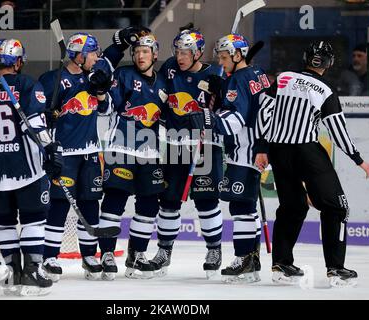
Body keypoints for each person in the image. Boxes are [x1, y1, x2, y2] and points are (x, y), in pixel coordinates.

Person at [255, 40, 369, 287]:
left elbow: (264, 110)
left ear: (306, 58)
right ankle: (336, 269)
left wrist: (262, 148)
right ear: (329, 64)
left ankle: (281, 265)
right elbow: (337, 130)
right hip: (305, 151)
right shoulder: (325, 90)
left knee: (293, 207)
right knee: (337, 207)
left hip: (278, 151)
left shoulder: (284, 77)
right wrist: (357, 158)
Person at [38, 27, 146, 281]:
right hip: (63, 154)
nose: (96, 57)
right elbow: (38, 116)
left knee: (89, 206)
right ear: (79, 56)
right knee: (60, 205)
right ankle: (50, 257)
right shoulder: (51, 80)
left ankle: (89, 256)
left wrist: (100, 91)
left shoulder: (93, 76)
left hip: (89, 153)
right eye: (92, 54)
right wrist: (47, 116)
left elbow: (107, 108)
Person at [0, 38, 63, 296]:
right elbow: (34, 125)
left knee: (4, 222)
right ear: (18, 61)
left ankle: (12, 273)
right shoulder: (26, 84)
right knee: (34, 218)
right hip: (26, 167)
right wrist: (50, 149)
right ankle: (32, 272)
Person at [149, 29, 224, 279]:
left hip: (205, 145)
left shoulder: (215, 73)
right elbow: (157, 92)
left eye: (186, 53)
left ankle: (214, 250)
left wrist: (219, 92)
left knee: (206, 200)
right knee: (168, 200)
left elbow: (224, 110)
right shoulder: (170, 68)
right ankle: (164, 251)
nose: (180, 57)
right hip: (174, 143)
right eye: (178, 52)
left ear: (198, 53)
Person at [198, 33, 269, 283]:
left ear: (238, 56)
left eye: (225, 57)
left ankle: (243, 258)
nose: (221, 61)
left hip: (246, 150)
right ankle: (252, 261)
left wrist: (210, 119)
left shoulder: (238, 79)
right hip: (258, 147)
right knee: (247, 207)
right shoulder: (257, 74)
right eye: (219, 57)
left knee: (240, 207)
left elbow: (236, 120)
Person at [97, 32, 167, 280]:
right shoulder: (125, 75)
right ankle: (106, 253)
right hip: (122, 148)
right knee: (115, 200)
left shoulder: (163, 83)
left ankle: (136, 254)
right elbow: (107, 107)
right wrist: (101, 93)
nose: (140, 55)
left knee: (148, 205)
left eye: (145, 51)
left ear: (155, 54)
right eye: (136, 52)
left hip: (150, 152)